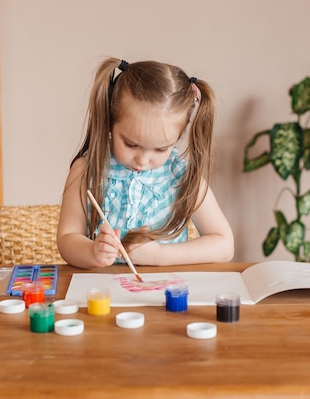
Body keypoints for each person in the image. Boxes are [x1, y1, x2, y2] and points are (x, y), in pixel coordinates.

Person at [57, 57, 234, 269]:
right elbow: (67, 238)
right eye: (131, 144)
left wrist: (159, 256)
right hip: (104, 295)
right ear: (110, 121)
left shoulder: (183, 178)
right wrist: (91, 252)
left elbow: (224, 245)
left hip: (167, 295)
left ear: (178, 137)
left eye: (160, 149)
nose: (142, 160)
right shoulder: (87, 169)